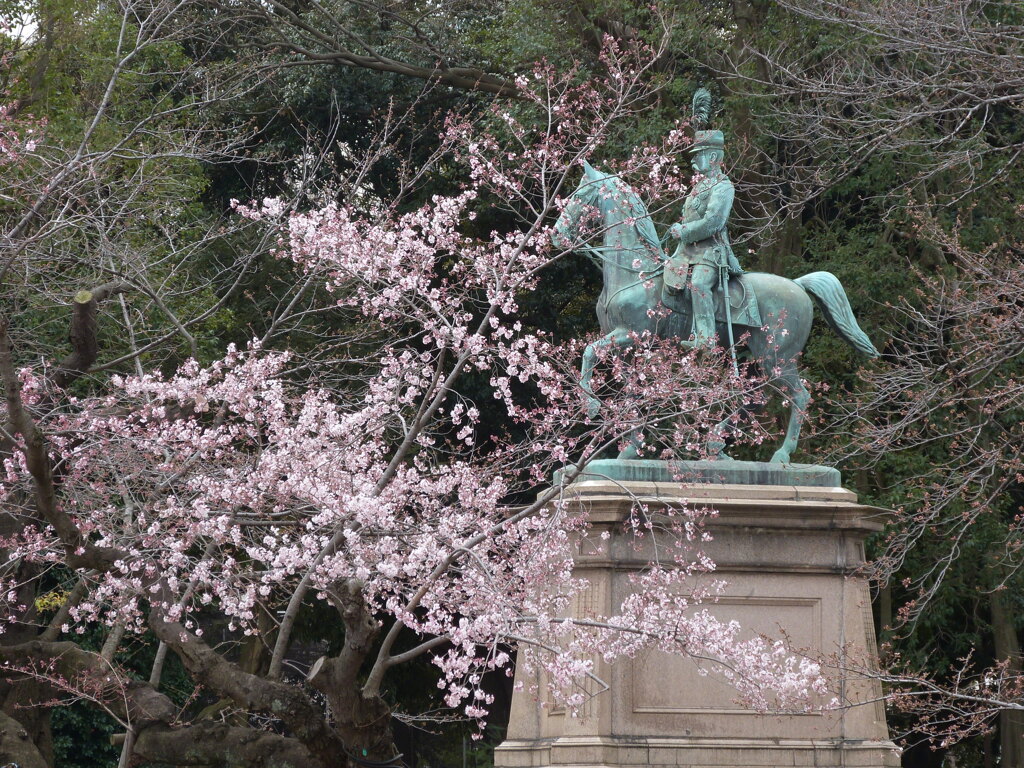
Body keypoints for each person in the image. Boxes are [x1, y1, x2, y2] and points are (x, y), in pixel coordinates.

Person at [665, 129, 743, 349]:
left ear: (712, 157)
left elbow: (713, 222)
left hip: (710, 253)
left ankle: (706, 340)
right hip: (686, 253)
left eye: (698, 154)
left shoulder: (723, 186)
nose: (692, 160)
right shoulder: (699, 187)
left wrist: (685, 230)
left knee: (698, 284)